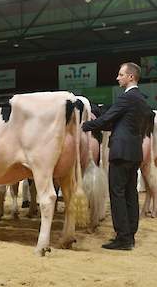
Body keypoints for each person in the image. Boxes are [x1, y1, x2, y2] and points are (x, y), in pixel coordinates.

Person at [82, 62, 153, 250]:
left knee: (117, 194)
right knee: (130, 193)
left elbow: (106, 119)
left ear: (131, 77)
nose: (117, 78)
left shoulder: (127, 98)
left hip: (121, 152)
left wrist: (84, 126)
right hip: (135, 152)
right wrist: (99, 124)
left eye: (121, 74)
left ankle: (122, 237)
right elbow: (115, 123)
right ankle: (130, 235)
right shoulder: (142, 100)